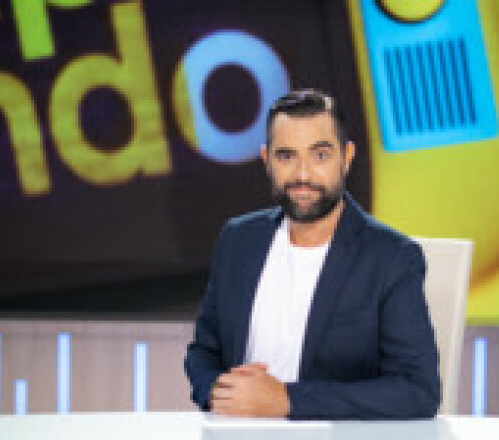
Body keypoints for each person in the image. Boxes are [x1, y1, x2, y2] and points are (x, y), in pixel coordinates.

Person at [184, 89, 440, 420]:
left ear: (346, 157)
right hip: (236, 433)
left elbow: (418, 390)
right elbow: (204, 352)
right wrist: (218, 392)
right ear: (266, 160)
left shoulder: (392, 257)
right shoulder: (238, 240)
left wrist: (288, 401)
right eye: (286, 156)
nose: (302, 175)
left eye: (320, 156)